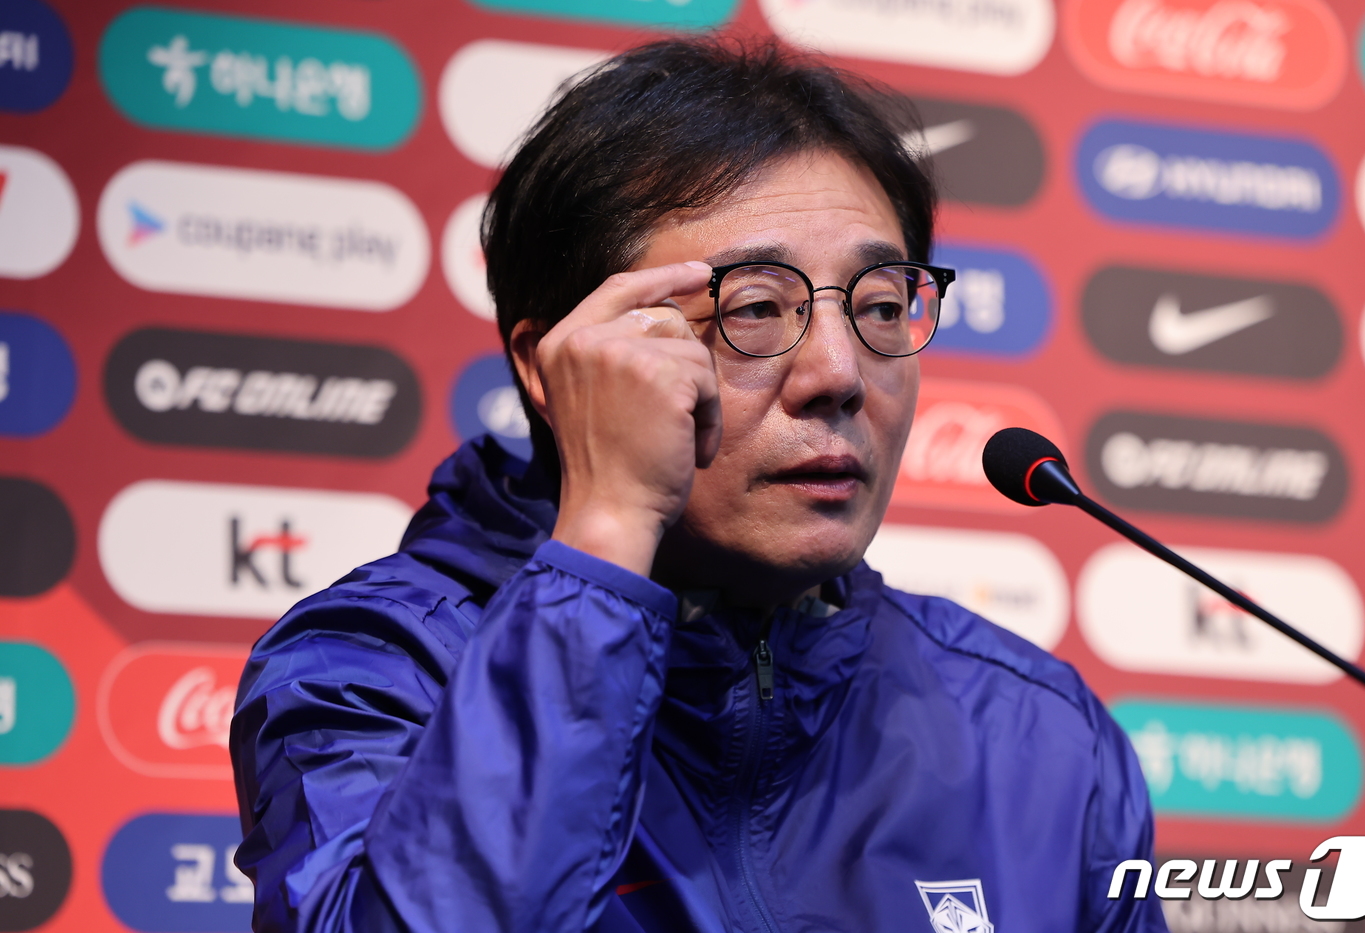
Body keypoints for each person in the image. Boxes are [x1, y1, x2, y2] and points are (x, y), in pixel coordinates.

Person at [230, 38, 1167, 933]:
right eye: (754, 307)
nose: (838, 372)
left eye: (881, 306)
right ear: (553, 365)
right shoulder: (374, 667)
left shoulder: (1041, 732)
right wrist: (608, 530)